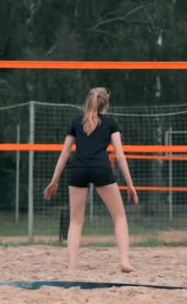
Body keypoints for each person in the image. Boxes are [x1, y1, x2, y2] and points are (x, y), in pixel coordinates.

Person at [43, 87, 138, 273]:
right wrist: (130, 184)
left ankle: (71, 267)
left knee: (76, 221)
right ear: (106, 103)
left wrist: (54, 180)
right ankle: (124, 262)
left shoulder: (77, 122)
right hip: (101, 168)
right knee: (119, 216)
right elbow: (120, 155)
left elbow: (64, 154)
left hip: (77, 169)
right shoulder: (111, 123)